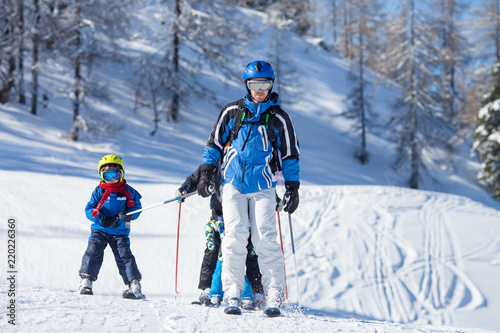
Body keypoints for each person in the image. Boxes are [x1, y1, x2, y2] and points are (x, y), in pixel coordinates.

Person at [197, 60, 300, 316]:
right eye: (255, 84)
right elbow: (214, 144)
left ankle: (274, 295)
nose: (260, 90)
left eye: (265, 84)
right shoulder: (232, 112)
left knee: (265, 239)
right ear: (247, 85)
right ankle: (232, 293)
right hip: (232, 185)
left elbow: (290, 155)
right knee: (234, 237)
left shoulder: (279, 118)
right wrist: (206, 172)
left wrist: (292, 187)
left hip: (263, 186)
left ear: (271, 84)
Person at [175, 165, 264, 308]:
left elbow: (263, 182)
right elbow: (197, 177)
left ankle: (255, 291)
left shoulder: (244, 159)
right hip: (220, 215)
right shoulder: (215, 162)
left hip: (245, 216)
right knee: (213, 250)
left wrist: (274, 199)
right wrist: (184, 189)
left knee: (250, 253)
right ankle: (208, 289)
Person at [78, 154, 145, 299]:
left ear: (122, 174)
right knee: (93, 251)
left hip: (120, 231)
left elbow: (137, 208)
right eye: (107, 175)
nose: (113, 178)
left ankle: (134, 285)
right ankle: (86, 281)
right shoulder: (99, 191)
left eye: (116, 174)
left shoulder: (128, 191)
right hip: (100, 229)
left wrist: (129, 215)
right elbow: (89, 209)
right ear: (102, 176)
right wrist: (100, 218)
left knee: (124, 256)